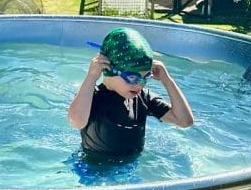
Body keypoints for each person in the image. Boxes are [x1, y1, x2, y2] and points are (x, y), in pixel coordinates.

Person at [68, 26, 194, 157]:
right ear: (109, 70)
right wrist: (91, 76)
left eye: (146, 77)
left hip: (130, 169)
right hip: (93, 170)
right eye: (133, 77)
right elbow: (76, 121)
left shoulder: (143, 97)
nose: (140, 84)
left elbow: (185, 121)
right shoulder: (92, 96)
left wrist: (167, 80)